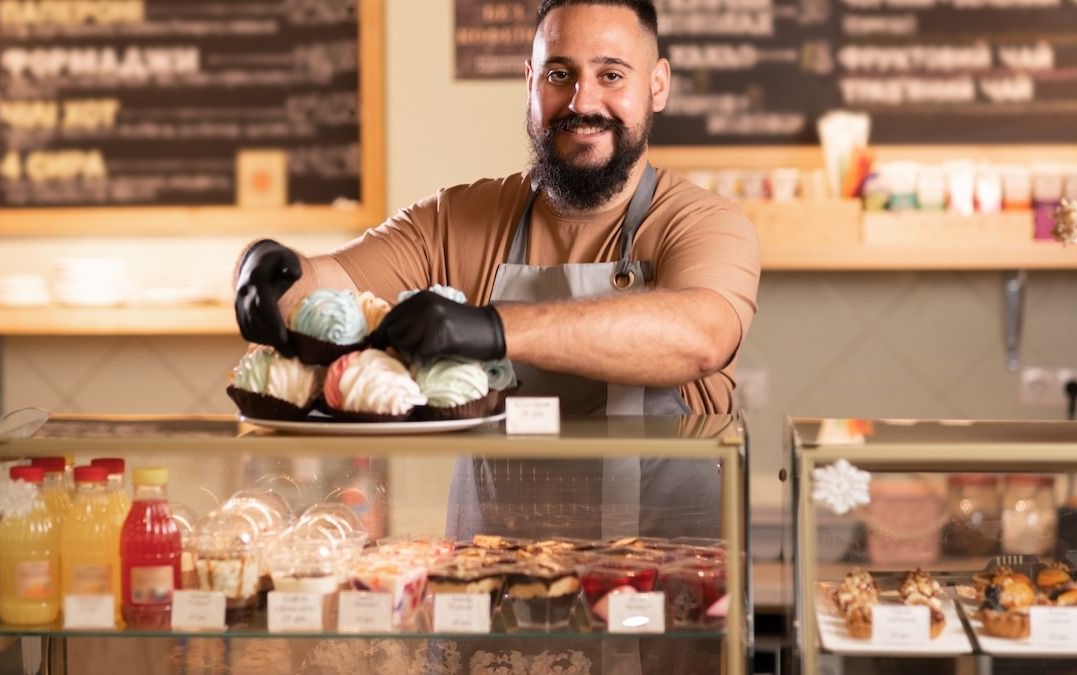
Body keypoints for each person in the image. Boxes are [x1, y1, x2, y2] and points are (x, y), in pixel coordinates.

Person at [235, 0, 759, 538]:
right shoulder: (459, 219)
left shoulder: (701, 222)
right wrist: (266, 265)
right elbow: (323, 285)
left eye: (611, 74)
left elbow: (701, 335)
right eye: (560, 74)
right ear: (530, 83)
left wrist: (493, 329)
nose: (583, 100)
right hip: (490, 589)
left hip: (664, 590)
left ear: (657, 85)